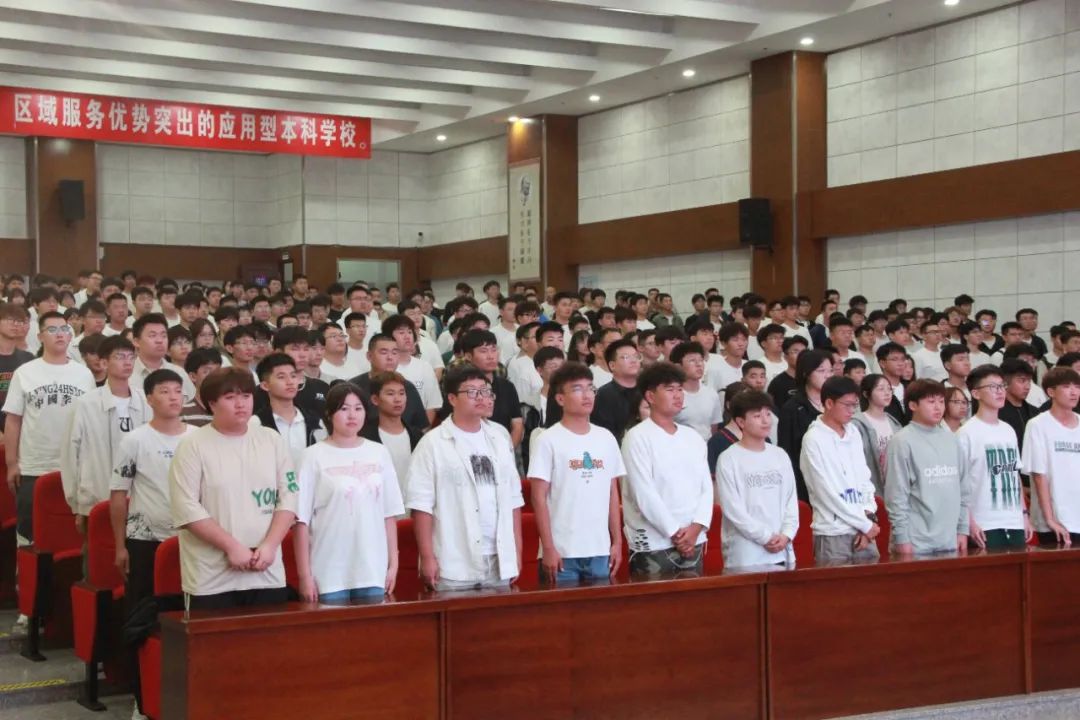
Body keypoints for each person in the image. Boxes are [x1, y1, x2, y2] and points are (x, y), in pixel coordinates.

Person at [169, 367, 298, 609]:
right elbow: (186, 507)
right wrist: (232, 547)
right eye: (230, 397)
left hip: (267, 573)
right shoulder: (192, 445)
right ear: (212, 404)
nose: (240, 404)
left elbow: (289, 496)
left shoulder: (271, 439)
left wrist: (270, 545)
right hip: (211, 578)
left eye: (246, 396)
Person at [109, 368, 193, 719]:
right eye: (164, 391)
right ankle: (141, 698)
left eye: (177, 391)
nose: (173, 397)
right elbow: (118, 495)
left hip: (192, 541)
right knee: (143, 618)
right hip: (146, 541)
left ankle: (189, 693)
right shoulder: (135, 441)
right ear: (149, 398)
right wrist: (120, 546)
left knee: (189, 619)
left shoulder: (198, 438)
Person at [406, 367, 525, 591]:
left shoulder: (499, 437)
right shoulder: (432, 443)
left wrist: (516, 550)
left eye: (485, 391)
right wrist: (427, 556)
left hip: (499, 559)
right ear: (452, 399)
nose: (481, 397)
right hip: (453, 560)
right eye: (471, 392)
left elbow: (513, 499)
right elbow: (421, 506)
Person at [294, 382, 403, 603]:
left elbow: (389, 514)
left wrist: (393, 564)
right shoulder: (312, 456)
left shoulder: (379, 452)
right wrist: (304, 575)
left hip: (372, 568)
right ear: (329, 414)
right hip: (328, 569)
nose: (352, 415)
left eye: (358, 408)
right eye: (344, 409)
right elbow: (300, 521)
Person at [4, 311, 96, 543]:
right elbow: (13, 420)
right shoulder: (25, 372)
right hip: (33, 465)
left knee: (69, 537)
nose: (60, 334)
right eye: (52, 330)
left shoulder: (84, 374)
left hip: (75, 467)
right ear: (40, 336)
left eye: (64, 329)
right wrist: (12, 463)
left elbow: (90, 422)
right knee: (30, 535)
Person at [528, 363, 624, 584]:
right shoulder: (547, 440)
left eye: (590, 388)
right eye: (577, 389)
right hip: (562, 551)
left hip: (599, 548)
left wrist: (617, 541)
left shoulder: (606, 437)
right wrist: (548, 548)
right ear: (560, 399)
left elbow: (612, 492)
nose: (587, 395)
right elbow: (538, 497)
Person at [620, 362, 713, 576]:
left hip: (694, 539)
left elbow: (706, 487)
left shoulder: (693, 437)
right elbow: (644, 493)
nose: (677, 395)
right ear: (650, 396)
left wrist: (696, 527)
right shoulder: (636, 437)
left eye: (680, 389)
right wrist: (675, 532)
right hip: (654, 542)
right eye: (670, 389)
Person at [61, 336, 150, 533]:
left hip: (140, 500)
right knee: (96, 550)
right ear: (103, 363)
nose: (127, 362)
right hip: (96, 497)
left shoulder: (146, 401)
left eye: (131, 357)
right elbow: (70, 455)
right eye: (119, 357)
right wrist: (76, 504)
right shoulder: (86, 404)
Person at [800, 377, 880, 565]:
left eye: (855, 405)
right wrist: (864, 524)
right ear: (829, 403)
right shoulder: (813, 438)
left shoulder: (854, 432)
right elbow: (824, 492)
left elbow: (865, 479)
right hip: (833, 532)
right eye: (847, 405)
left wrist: (869, 516)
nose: (852, 411)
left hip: (864, 529)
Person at [885, 379, 970, 556]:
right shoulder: (902, 441)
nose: (938, 407)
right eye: (931, 402)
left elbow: (963, 488)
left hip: (950, 540)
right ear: (913, 405)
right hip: (916, 542)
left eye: (941, 401)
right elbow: (896, 495)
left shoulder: (951, 439)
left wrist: (963, 529)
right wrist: (901, 538)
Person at [716, 389, 799, 568]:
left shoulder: (780, 455)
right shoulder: (729, 458)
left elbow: (791, 500)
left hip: (782, 550)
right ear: (741, 422)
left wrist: (786, 534)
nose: (765, 420)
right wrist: (765, 537)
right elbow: (733, 509)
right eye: (757, 416)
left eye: (768, 414)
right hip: (746, 554)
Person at [957, 365, 1032, 550]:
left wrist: (1024, 514)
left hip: (1014, 520)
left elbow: (1014, 474)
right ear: (976, 393)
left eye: (1002, 386)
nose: (1000, 391)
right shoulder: (965, 434)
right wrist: (969, 522)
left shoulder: (1008, 430)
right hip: (984, 523)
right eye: (992, 387)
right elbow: (959, 484)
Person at [1022, 368, 1080, 546]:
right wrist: (1050, 519)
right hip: (1053, 522)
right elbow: (1039, 475)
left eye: (1077, 387)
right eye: (1066, 386)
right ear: (1051, 392)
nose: (1074, 392)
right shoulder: (1037, 425)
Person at [777, 349, 832, 502]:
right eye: (821, 371)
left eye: (830, 370)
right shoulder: (792, 408)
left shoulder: (835, 403)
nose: (827, 375)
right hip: (805, 483)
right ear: (806, 373)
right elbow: (787, 451)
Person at [254, 353, 325, 468]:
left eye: (293, 376)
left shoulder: (316, 422)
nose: (290, 382)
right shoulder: (256, 424)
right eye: (281, 377)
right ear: (265, 385)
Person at [362, 371, 423, 499]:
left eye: (401, 393)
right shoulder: (363, 437)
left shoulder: (418, 436)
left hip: (412, 504)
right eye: (390, 394)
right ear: (375, 399)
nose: (398, 399)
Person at [384, 315, 442, 425]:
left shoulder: (425, 366)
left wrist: (423, 431)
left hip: (419, 428)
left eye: (410, 332)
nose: (407, 337)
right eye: (401, 333)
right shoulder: (383, 367)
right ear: (388, 337)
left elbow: (432, 404)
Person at [852, 374, 901, 497]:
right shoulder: (857, 424)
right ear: (866, 394)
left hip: (895, 486)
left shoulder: (894, 422)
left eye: (889, 389)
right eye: (881, 389)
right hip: (872, 488)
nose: (887, 393)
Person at [132, 314, 196, 402]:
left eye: (163, 336)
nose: (159, 340)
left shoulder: (179, 373)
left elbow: (193, 406)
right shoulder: (126, 375)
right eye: (152, 335)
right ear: (136, 342)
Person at [589, 338, 642, 442]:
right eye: (626, 357)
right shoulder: (603, 396)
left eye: (636, 356)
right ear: (612, 365)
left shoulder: (647, 391)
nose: (633, 361)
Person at [671, 342, 723, 440]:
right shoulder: (672, 396)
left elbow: (713, 427)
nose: (699, 364)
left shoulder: (711, 393)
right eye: (692, 361)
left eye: (701, 360)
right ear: (678, 366)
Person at [0, 303, 33, 441]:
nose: (15, 324)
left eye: (19, 321)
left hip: (22, 430)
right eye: (9, 319)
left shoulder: (28, 358)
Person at [998, 358, 1038, 460]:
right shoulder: (997, 413)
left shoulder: (1035, 413)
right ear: (1005, 383)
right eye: (1022, 381)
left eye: (1029, 381)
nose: (1027, 386)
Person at [767, 336, 807, 409]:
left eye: (804, 352)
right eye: (796, 352)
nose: (801, 355)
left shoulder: (812, 379)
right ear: (785, 356)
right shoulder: (777, 383)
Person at [876, 342, 910, 424]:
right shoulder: (875, 390)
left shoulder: (911, 388)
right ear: (882, 363)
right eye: (894, 359)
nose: (900, 363)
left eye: (903, 359)